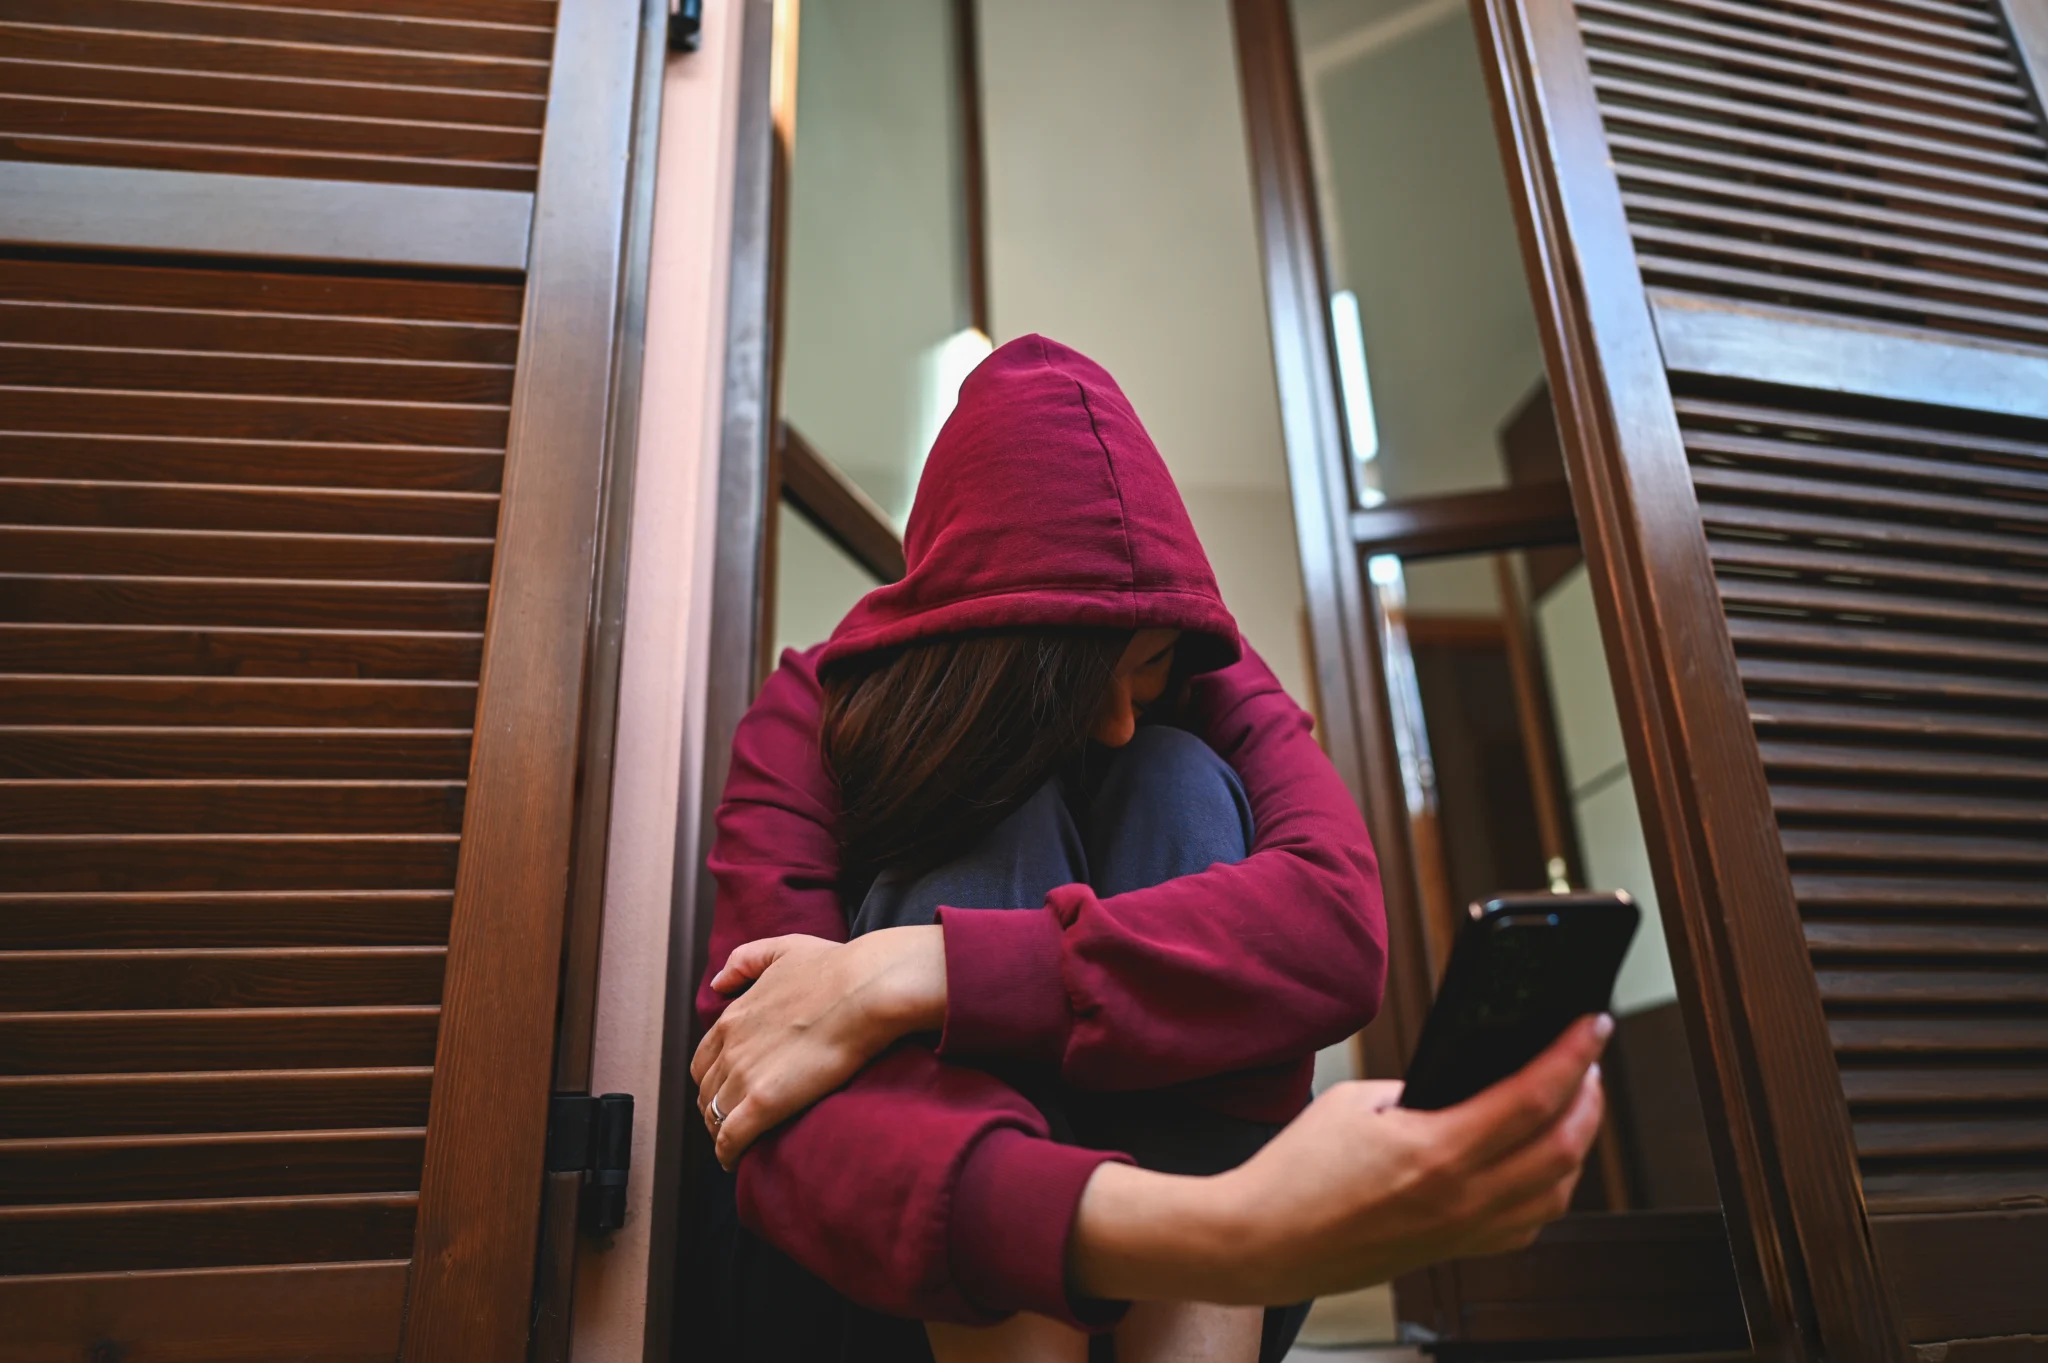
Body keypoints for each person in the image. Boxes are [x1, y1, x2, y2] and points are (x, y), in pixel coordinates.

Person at [686, 335, 1606, 1362]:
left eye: (1152, 669)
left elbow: (1335, 926)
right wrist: (1235, 1231)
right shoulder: (810, 707)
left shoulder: (1203, 675)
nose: (1124, 715)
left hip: (1190, 1274)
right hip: (900, 1276)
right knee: (994, 812)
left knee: (1177, 778)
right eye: (1094, 685)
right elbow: (759, 1082)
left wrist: (919, 970)